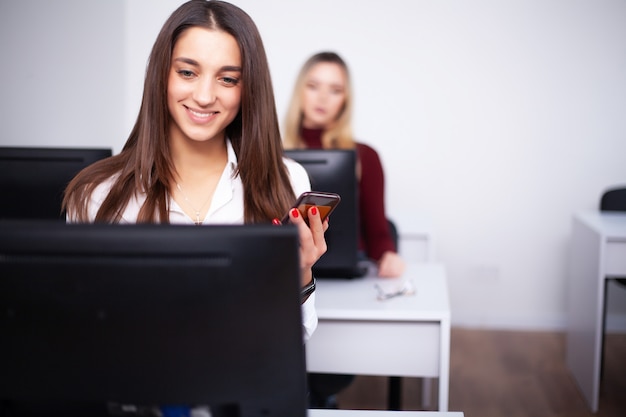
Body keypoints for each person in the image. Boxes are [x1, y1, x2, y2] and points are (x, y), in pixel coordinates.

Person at [62, 0, 326, 342]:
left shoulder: (287, 180)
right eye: (187, 72)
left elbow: (293, 339)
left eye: (227, 79)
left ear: (248, 90)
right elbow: (76, 334)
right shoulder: (97, 194)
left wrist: (301, 273)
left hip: (240, 386)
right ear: (162, 75)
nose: (204, 96)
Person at [283, 51, 406, 408]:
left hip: (346, 285)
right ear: (300, 92)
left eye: (334, 89)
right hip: (290, 280)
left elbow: (380, 231)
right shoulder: (269, 152)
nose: (322, 98)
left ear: (345, 100)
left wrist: (389, 254)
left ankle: (320, 399)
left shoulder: (364, 156)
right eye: (314, 86)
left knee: (322, 376)